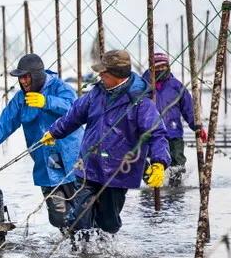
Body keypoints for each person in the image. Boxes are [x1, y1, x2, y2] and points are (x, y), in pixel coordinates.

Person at [40, 50, 170, 236]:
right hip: (89, 165)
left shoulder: (141, 103)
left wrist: (159, 162)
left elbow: (157, 134)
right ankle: (80, 253)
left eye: (104, 73)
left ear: (118, 75)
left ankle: (103, 251)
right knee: (79, 219)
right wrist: (54, 131)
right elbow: (74, 115)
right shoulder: (95, 94)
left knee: (108, 223)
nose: (100, 76)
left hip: (118, 171)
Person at [0, 53, 83, 230]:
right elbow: (3, 125)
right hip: (46, 166)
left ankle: (87, 250)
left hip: (73, 162)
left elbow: (77, 109)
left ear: (36, 75)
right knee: (58, 217)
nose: (22, 81)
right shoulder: (20, 99)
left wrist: (47, 102)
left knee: (83, 212)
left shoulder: (60, 88)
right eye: (20, 78)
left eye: (26, 76)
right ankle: (74, 247)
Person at [142, 52, 207, 183]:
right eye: (157, 68)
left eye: (163, 66)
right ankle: (151, 195)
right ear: (151, 69)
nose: (161, 70)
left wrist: (197, 126)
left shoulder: (176, 86)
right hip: (150, 134)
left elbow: (188, 109)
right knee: (149, 167)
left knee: (177, 166)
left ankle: (175, 193)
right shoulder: (143, 85)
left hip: (173, 132)